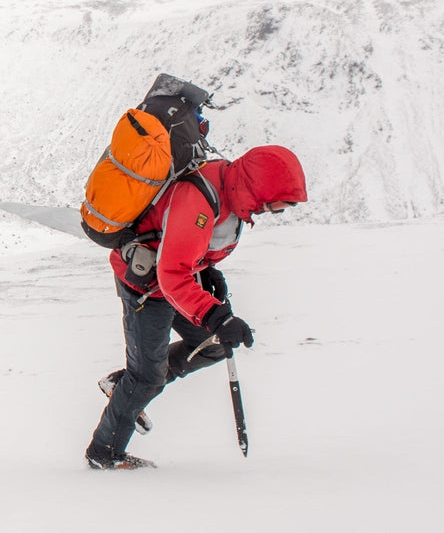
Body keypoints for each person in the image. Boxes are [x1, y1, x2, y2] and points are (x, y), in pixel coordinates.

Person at [86, 145, 307, 469]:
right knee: (147, 376)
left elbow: (185, 242)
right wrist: (215, 314)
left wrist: (207, 270)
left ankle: (126, 388)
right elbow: (171, 272)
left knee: (213, 346)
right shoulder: (199, 200)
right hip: (149, 287)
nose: (277, 211)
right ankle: (103, 455)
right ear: (262, 189)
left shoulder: (229, 190)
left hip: (178, 282)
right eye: (279, 205)